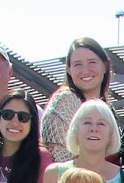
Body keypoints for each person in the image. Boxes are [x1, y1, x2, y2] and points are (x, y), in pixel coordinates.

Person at [44, 36, 115, 169]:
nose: (85, 70)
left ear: (105, 66)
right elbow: (60, 157)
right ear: (69, 70)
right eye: (77, 64)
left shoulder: (108, 108)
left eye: (92, 62)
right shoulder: (65, 100)